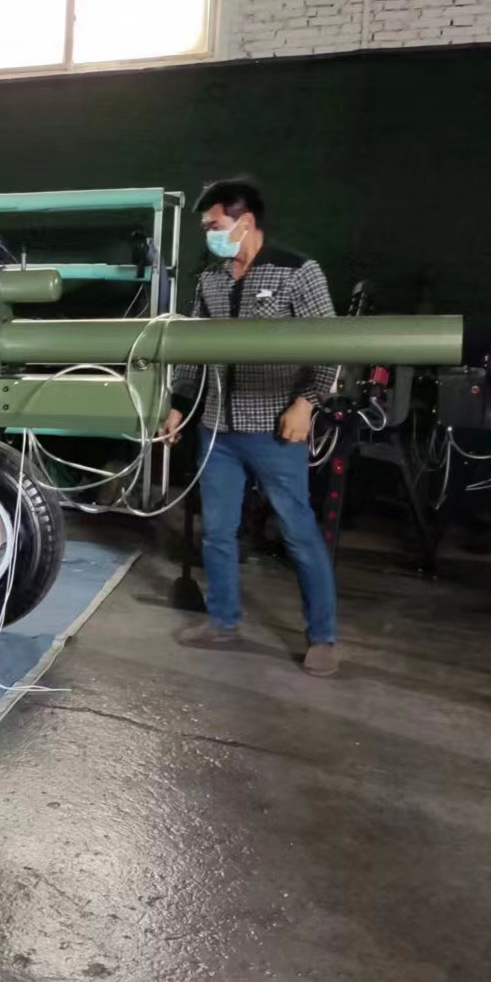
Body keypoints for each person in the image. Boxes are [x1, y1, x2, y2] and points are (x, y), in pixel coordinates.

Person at [162, 179, 340, 676]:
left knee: (298, 531)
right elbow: (193, 350)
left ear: (245, 221)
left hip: (275, 428)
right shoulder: (211, 278)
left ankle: (323, 637)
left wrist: (307, 403)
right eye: (206, 228)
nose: (210, 235)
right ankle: (223, 621)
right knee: (218, 532)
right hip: (217, 429)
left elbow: (333, 343)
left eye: (215, 225)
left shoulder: (297, 271)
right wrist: (179, 406)